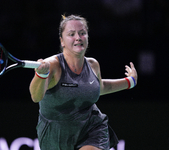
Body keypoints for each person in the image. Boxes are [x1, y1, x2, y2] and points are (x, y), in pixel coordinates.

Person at [29, 14, 138, 150]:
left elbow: (100, 87)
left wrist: (130, 82)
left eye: (82, 33)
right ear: (62, 41)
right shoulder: (53, 66)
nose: (78, 38)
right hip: (55, 135)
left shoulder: (93, 65)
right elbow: (36, 96)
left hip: (91, 128)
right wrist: (41, 74)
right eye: (71, 34)